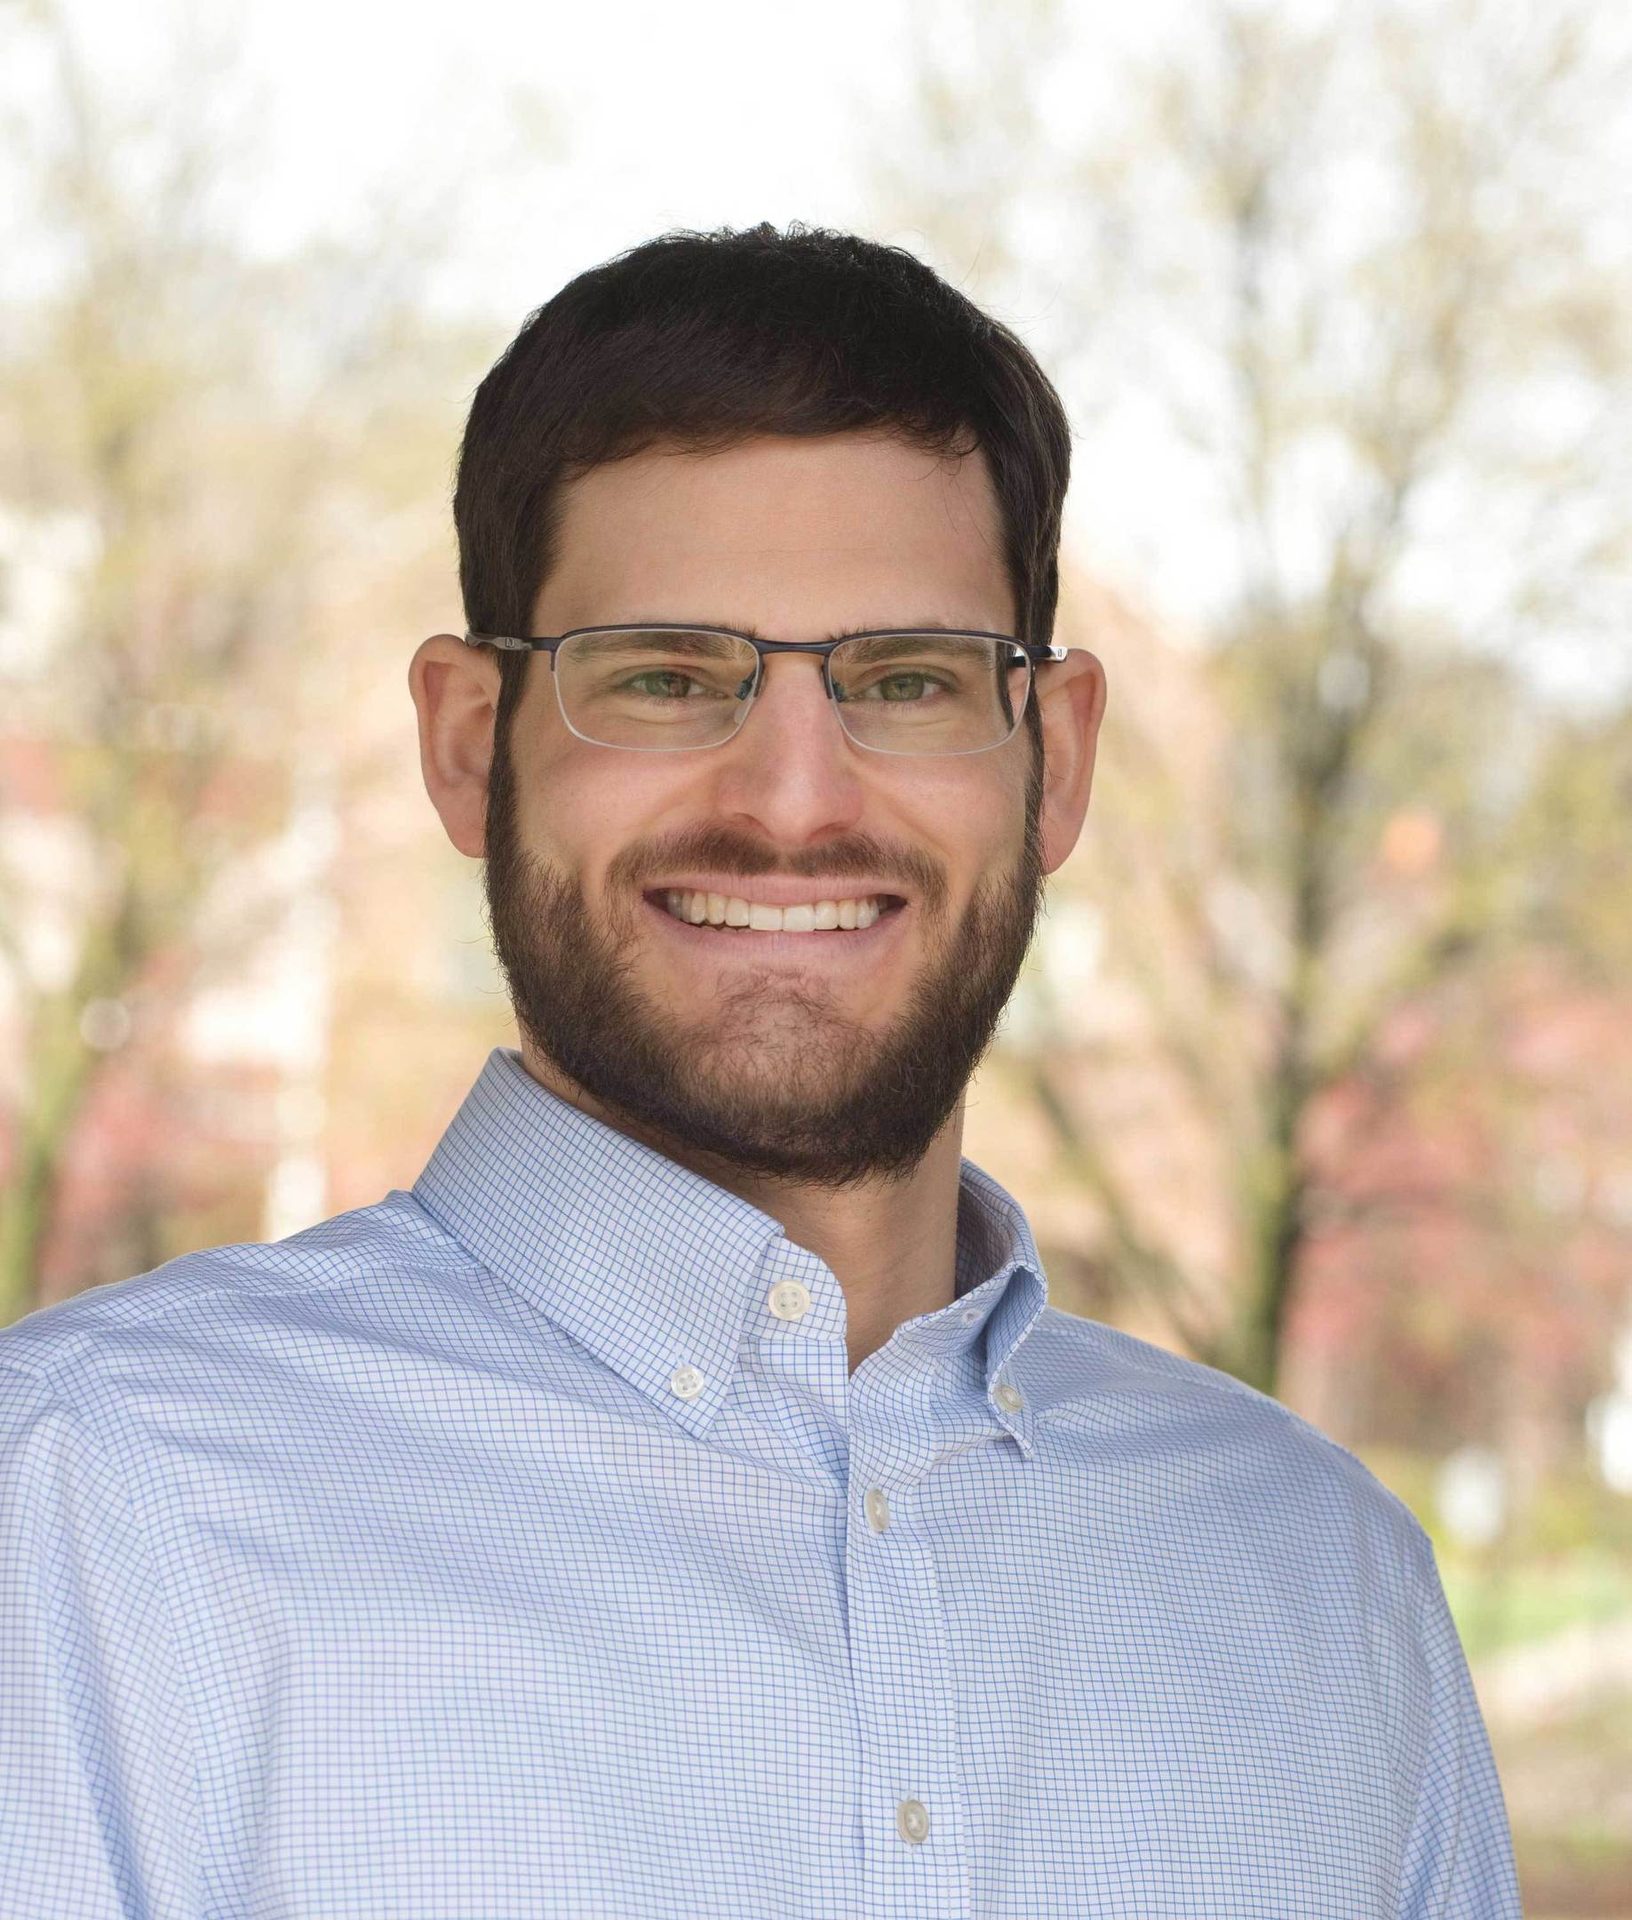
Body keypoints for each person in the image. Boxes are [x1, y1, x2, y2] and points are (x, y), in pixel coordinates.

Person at [0, 222, 1520, 1919]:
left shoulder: (1327, 1588)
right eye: (665, 677)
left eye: (909, 681)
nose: (796, 800)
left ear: (1059, 761)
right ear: (467, 745)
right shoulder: (91, 1517)